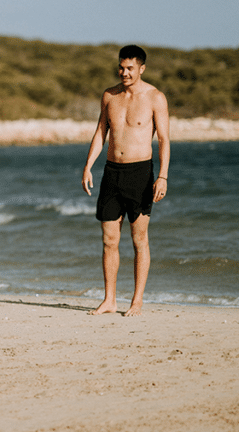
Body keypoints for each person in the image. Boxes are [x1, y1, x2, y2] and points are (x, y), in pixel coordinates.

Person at [82, 45, 170, 317]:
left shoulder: (155, 97)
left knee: (139, 238)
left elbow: (164, 140)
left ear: (141, 68)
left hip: (140, 174)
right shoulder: (109, 96)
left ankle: (137, 301)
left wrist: (163, 176)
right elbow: (100, 132)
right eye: (121, 67)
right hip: (111, 173)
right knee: (109, 239)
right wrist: (88, 166)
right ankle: (110, 300)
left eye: (130, 68)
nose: (124, 72)